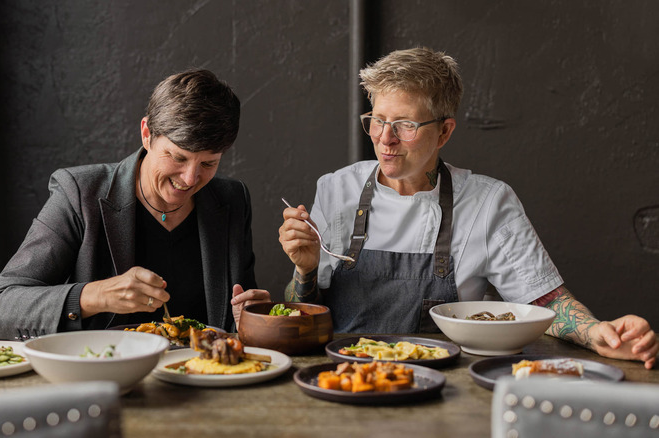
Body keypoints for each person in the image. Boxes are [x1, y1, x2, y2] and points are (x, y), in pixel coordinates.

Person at [278, 47, 657, 369]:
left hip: (448, 386)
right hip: (343, 378)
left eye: (405, 124)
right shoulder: (335, 189)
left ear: (444, 131)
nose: (385, 139)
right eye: (377, 120)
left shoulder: (488, 202)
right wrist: (304, 269)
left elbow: (543, 301)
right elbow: (301, 312)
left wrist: (597, 334)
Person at [0, 69, 270, 340]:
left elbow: (235, 318)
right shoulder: (80, 193)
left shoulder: (232, 199)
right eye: (178, 157)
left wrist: (252, 314)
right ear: (147, 134)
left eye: (209, 163)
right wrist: (97, 295)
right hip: (106, 378)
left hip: (203, 377)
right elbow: (0, 308)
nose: (190, 178)